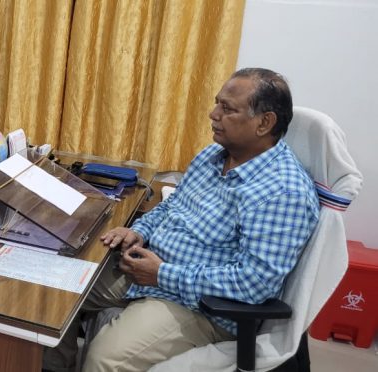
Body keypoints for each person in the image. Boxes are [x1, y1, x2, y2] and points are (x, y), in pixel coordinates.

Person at [44, 68, 320, 372]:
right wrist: (139, 231)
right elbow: (173, 205)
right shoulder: (213, 155)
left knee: (106, 359)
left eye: (227, 109)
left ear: (264, 122)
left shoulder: (282, 192)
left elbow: (254, 284)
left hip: (199, 306)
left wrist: (162, 274)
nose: (213, 114)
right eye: (217, 103)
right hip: (147, 267)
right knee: (51, 290)